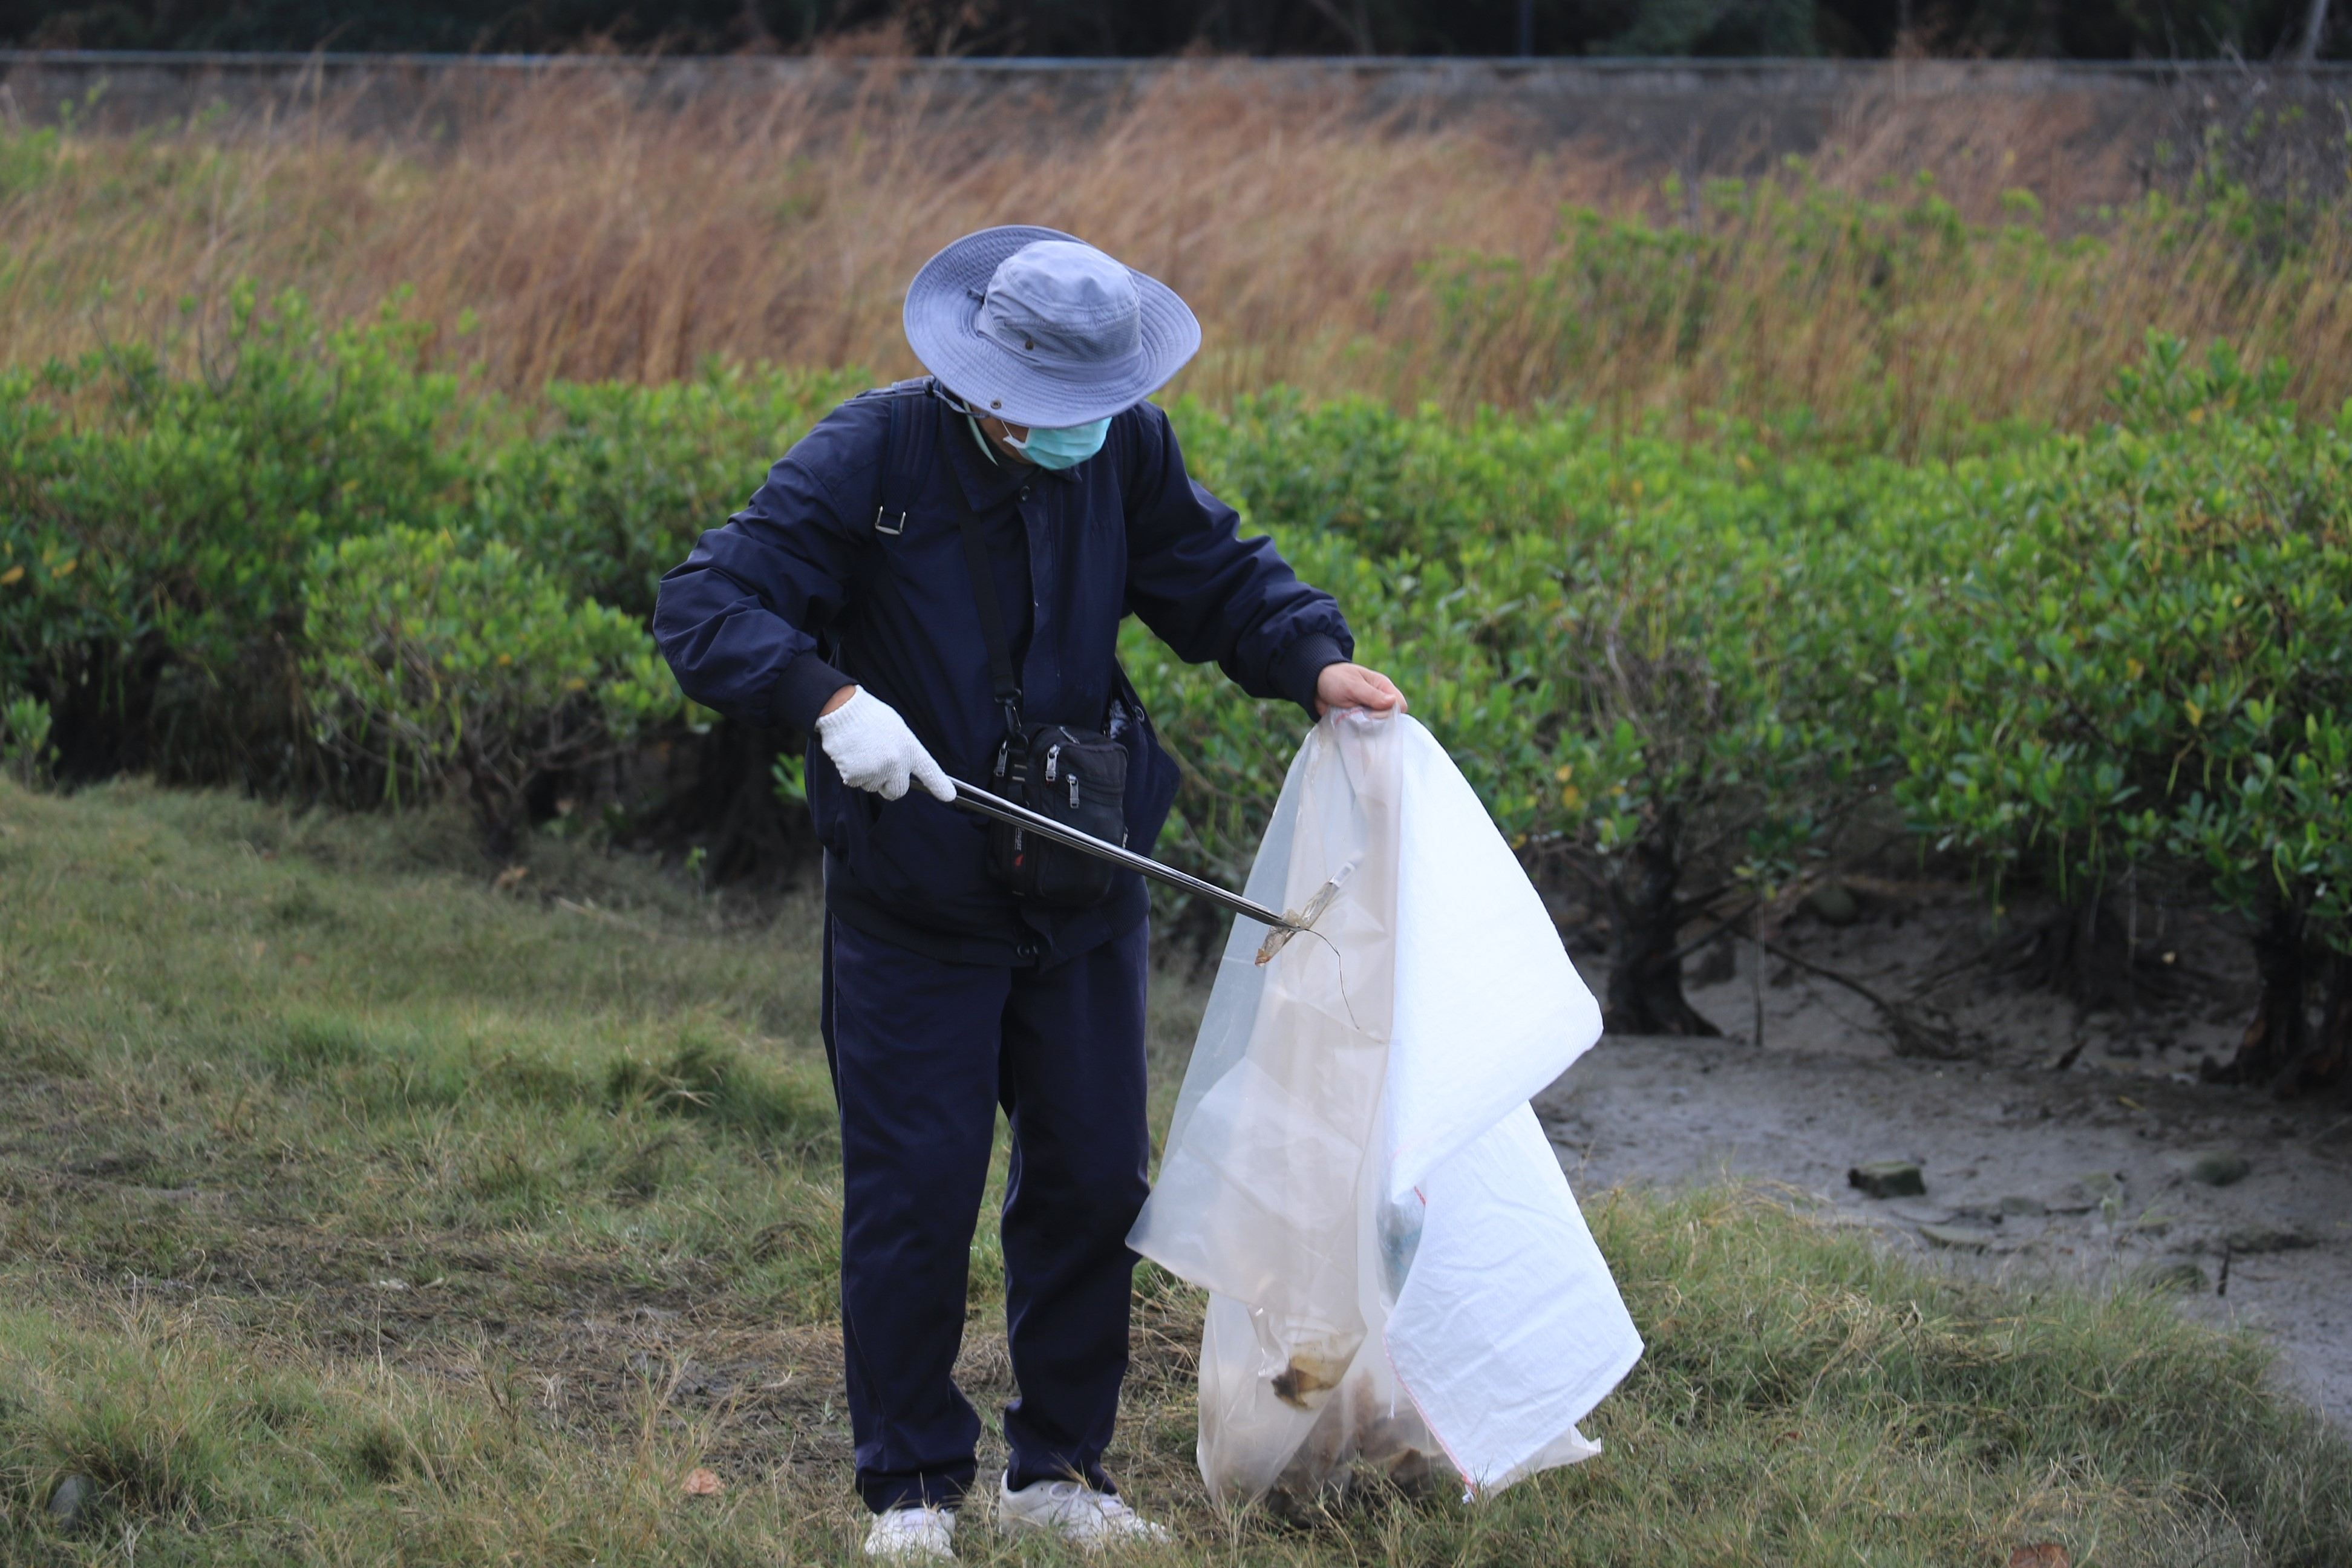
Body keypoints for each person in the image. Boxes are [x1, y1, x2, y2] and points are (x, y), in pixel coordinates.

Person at [653, 226, 1403, 1561]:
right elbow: (706, 604)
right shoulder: (868, 460)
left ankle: (1059, 1466)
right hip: (915, 903)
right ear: (984, 385)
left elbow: (1216, 576)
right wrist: (829, 700)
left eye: (1099, 407)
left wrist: (1314, 661)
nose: (1081, 431)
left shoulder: (1124, 445)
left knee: (1092, 1177)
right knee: (916, 1191)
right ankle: (912, 1490)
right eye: (1054, 411)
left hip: (1080, 886)